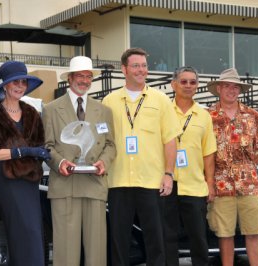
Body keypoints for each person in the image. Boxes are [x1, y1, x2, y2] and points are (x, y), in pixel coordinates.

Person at [102, 47, 181, 266]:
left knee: (155, 240)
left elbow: (170, 140)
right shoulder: (109, 101)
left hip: (152, 182)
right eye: (136, 65)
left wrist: (168, 174)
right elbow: (103, 141)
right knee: (119, 240)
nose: (141, 70)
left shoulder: (161, 100)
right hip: (118, 181)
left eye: (144, 66)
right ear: (124, 69)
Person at [42, 56, 116, 266]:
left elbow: (111, 145)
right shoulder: (51, 109)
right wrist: (60, 162)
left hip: (95, 185)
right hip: (65, 187)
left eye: (88, 76)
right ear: (70, 78)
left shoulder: (103, 111)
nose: (84, 80)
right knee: (65, 254)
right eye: (80, 76)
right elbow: (46, 146)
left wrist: (103, 162)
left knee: (97, 253)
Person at [0, 60, 51, 266]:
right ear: (5, 84)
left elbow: (40, 144)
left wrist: (40, 153)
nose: (20, 86)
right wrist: (22, 151)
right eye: (16, 82)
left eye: (23, 82)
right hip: (8, 181)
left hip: (31, 180)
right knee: (21, 230)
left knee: (34, 230)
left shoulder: (31, 112)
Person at [206, 68, 258, 266]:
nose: (231, 90)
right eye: (227, 86)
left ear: (240, 90)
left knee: (254, 232)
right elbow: (203, 152)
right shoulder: (207, 117)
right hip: (220, 186)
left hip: (249, 186)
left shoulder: (253, 116)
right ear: (218, 88)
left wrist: (246, 169)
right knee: (224, 234)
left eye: (235, 87)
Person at [162, 66, 217, 266]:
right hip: (167, 184)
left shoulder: (204, 116)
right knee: (167, 237)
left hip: (195, 185)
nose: (188, 85)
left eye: (192, 82)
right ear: (173, 84)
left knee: (198, 238)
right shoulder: (163, 110)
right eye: (183, 81)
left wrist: (210, 183)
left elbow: (208, 152)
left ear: (197, 86)